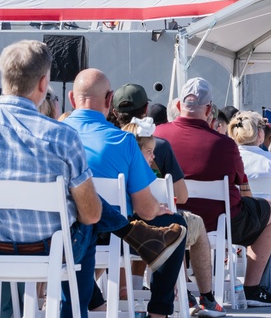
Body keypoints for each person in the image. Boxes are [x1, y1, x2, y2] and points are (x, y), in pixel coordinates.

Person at [0, 40, 180, 318]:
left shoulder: (59, 128)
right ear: (42, 83)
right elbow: (92, 213)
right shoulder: (60, 136)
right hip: (50, 248)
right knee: (87, 217)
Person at [64, 69, 189, 318]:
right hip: (110, 235)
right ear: (109, 99)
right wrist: (158, 209)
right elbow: (145, 208)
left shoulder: (55, 134)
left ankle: (95, 303)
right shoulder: (123, 141)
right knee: (176, 225)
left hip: (60, 232)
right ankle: (158, 313)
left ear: (71, 98)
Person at [154, 77, 271, 307]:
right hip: (222, 223)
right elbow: (243, 189)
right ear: (210, 110)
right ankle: (252, 287)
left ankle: (179, 288)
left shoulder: (158, 136)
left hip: (170, 219)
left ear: (179, 106)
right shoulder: (225, 145)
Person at [109, 83, 223, 317]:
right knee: (184, 225)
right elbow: (181, 196)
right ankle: (204, 296)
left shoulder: (111, 145)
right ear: (146, 109)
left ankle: (126, 287)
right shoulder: (157, 145)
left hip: (112, 232)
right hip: (149, 225)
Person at [228, 111, 271, 302]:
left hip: (231, 217)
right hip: (260, 219)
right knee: (270, 221)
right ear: (259, 134)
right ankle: (267, 285)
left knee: (267, 219)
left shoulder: (231, 158)